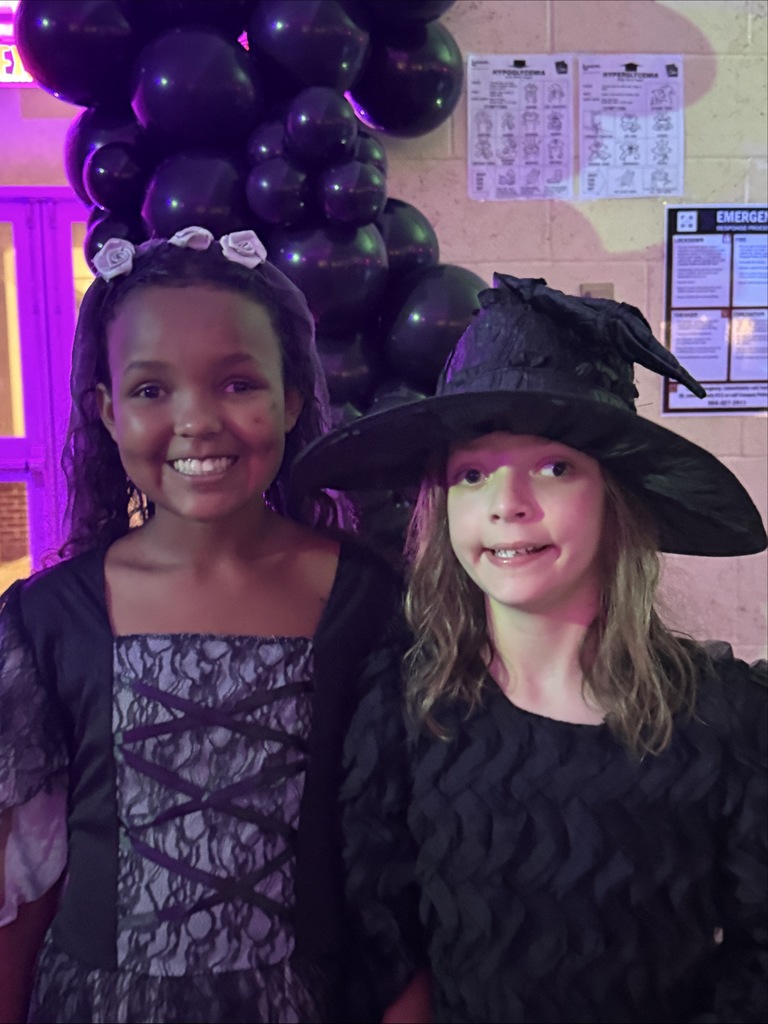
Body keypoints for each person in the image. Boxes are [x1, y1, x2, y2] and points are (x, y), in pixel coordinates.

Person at [292, 274, 768, 1023]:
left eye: (554, 466)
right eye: (473, 473)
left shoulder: (728, 719)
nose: (508, 502)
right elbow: (384, 943)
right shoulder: (402, 708)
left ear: (617, 497)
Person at [0, 226, 399, 1024]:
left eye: (238, 384)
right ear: (108, 413)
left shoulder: (370, 601)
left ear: (291, 398)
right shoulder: (48, 622)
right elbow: (25, 880)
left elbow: (395, 856)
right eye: (152, 391)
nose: (198, 421)